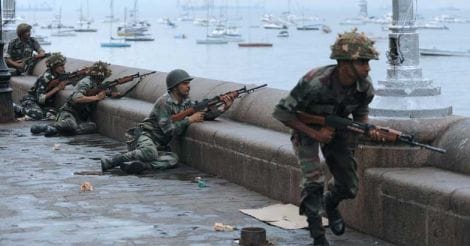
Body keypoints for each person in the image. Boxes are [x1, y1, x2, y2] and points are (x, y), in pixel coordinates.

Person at [272, 29, 383, 246]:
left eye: (368, 62)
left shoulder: (365, 87)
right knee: (313, 182)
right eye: (362, 62)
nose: (368, 67)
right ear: (344, 65)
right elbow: (282, 113)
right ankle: (318, 237)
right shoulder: (315, 82)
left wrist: (368, 130)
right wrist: (316, 133)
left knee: (349, 187)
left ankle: (330, 203)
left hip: (337, 130)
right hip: (305, 128)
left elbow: (360, 116)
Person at [101, 69, 235, 174]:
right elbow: (168, 129)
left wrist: (223, 107)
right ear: (175, 86)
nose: (188, 87)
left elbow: (205, 115)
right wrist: (188, 120)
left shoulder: (186, 102)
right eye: (185, 84)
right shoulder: (164, 102)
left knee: (173, 159)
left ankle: (140, 166)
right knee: (150, 152)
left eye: (188, 83)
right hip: (144, 136)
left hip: (160, 144)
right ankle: (113, 160)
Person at [30, 61, 116, 137]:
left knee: (92, 126)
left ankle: (56, 130)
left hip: (79, 117)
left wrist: (110, 93)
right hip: (68, 112)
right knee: (70, 125)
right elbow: (77, 98)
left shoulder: (97, 84)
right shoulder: (86, 82)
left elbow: (101, 90)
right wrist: (97, 97)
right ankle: (48, 127)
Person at [19, 53, 71, 120]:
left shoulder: (60, 74)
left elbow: (69, 78)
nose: (63, 67)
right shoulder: (46, 77)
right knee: (38, 115)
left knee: (57, 114)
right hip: (32, 100)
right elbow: (40, 99)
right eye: (60, 66)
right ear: (54, 66)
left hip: (45, 105)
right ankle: (19, 110)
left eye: (63, 65)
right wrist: (57, 88)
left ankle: (31, 113)